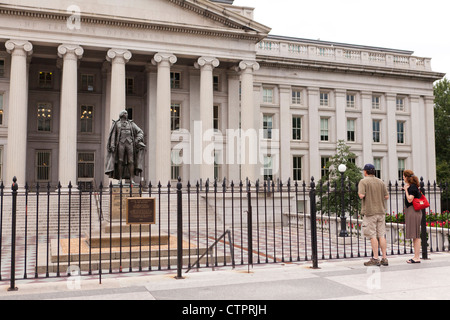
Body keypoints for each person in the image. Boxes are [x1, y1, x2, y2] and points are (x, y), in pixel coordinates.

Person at [358, 164, 389, 266]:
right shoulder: (380, 181)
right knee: (381, 235)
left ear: (365, 171)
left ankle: (375, 258)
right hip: (381, 211)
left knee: (372, 235)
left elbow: (361, 195)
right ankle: (384, 258)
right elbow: (386, 196)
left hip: (370, 212)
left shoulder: (363, 181)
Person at [105, 110, 145, 182]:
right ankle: (120, 179)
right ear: (122, 115)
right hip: (121, 143)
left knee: (131, 161)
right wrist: (112, 145)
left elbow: (140, 132)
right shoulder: (117, 124)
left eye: (126, 113)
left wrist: (137, 139)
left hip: (130, 143)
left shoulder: (131, 124)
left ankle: (131, 179)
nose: (127, 114)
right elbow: (113, 135)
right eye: (125, 113)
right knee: (120, 161)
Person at [403, 169, 422, 264]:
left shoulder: (413, 187)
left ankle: (417, 257)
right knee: (415, 235)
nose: (403, 178)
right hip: (412, 211)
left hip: (413, 211)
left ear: (406, 177)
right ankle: (416, 256)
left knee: (416, 235)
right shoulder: (413, 187)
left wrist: (406, 190)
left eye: (403, 176)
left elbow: (410, 199)